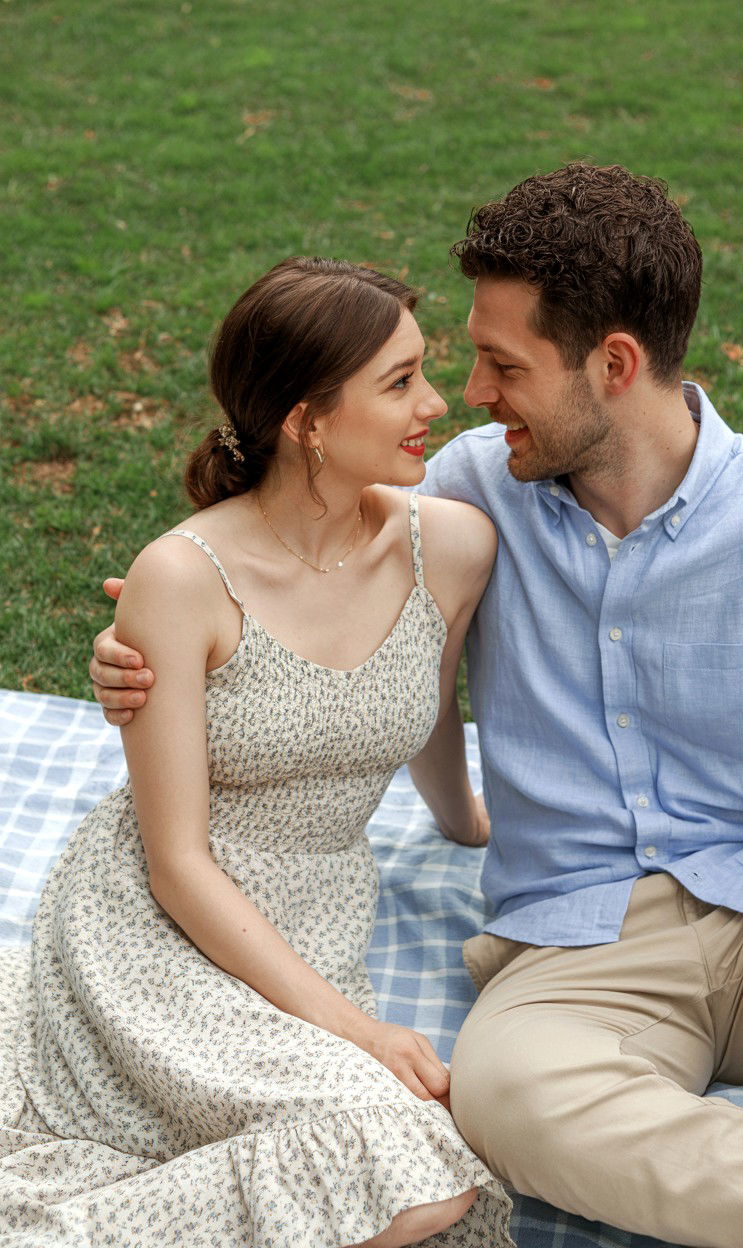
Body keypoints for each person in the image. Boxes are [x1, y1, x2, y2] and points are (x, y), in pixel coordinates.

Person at [93, 165, 743, 1248]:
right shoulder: (466, 493)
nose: (470, 395)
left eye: (501, 363)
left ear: (614, 365)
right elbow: (284, 558)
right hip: (576, 955)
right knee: (507, 1102)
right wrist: (137, 646)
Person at [0, 257, 515, 1248]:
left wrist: (463, 822)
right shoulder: (181, 578)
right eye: (400, 382)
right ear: (305, 420)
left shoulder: (449, 546)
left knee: (417, 1187)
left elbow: (429, 708)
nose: (439, 403)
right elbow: (177, 862)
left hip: (319, 917)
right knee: (412, 1183)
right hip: (158, 928)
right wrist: (357, 1032)